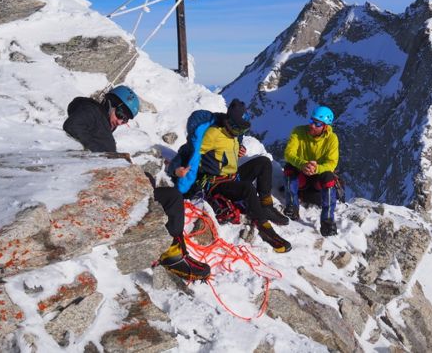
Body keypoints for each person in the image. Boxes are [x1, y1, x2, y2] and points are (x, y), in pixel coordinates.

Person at [63, 86, 210, 280]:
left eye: (126, 119)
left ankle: (177, 250)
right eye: (122, 114)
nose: (122, 122)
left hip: (107, 186)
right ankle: (172, 258)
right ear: (109, 102)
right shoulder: (90, 110)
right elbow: (72, 126)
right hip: (103, 194)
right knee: (172, 197)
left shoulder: (99, 121)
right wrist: (109, 158)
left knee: (157, 187)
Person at [197, 99, 292, 252]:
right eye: (236, 128)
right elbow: (194, 152)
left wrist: (238, 149)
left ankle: (266, 205)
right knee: (247, 188)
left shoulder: (233, 134)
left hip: (232, 177)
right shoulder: (213, 134)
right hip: (216, 184)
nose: (238, 132)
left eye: (241, 130)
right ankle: (265, 228)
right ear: (228, 122)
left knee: (263, 162)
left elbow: (225, 152)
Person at [283, 105, 340, 236]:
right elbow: (288, 154)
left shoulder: (332, 139)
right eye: (311, 121)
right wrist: (302, 164)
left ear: (325, 126)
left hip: (317, 179)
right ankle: (292, 206)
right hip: (301, 175)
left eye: (317, 123)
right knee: (289, 168)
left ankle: (327, 221)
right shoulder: (298, 132)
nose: (312, 126)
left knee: (329, 177)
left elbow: (332, 163)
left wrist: (317, 168)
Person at [63, 85, 140, 153]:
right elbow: (72, 125)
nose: (120, 122)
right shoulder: (92, 111)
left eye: (125, 120)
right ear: (110, 104)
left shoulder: (103, 125)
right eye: (120, 115)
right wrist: (98, 150)